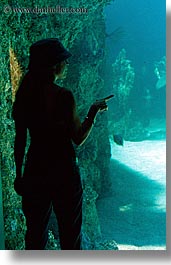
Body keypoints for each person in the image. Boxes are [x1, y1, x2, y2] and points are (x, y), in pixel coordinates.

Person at [12, 38, 111, 250]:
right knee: (70, 237)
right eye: (64, 61)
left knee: (35, 237)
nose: (67, 65)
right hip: (64, 173)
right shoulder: (63, 96)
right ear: (54, 64)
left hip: (35, 170)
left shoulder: (24, 96)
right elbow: (78, 138)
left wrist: (19, 175)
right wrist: (93, 112)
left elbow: (20, 139)